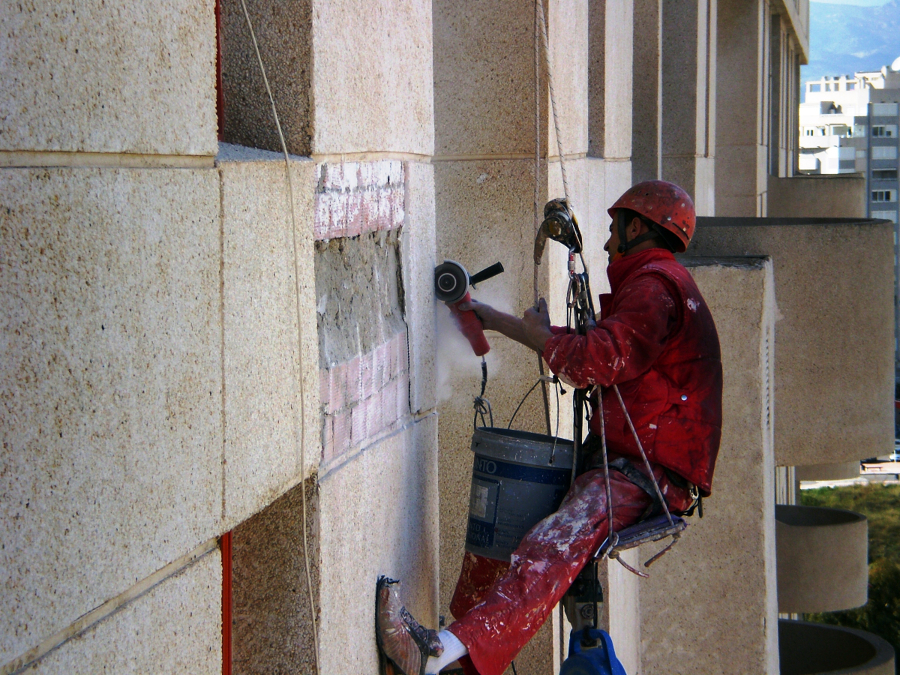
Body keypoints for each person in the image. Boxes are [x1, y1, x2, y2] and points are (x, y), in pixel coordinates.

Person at [376, 180, 723, 675]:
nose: (606, 244)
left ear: (638, 227)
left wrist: (537, 335)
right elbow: (582, 347)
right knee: (513, 531)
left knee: (549, 548)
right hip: (635, 464)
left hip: (645, 472)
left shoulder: (654, 287)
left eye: (613, 230)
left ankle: (436, 655)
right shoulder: (657, 287)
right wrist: (489, 318)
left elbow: (591, 361)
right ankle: (457, 656)